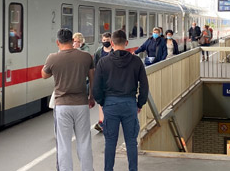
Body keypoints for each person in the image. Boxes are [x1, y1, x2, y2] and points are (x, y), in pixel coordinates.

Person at [93, 30, 149, 171]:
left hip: (110, 104)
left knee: (110, 142)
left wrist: (102, 102)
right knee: (131, 142)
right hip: (129, 104)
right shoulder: (136, 61)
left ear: (112, 43)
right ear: (126, 43)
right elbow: (144, 85)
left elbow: (96, 87)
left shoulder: (103, 62)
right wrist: (139, 103)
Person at [41, 28, 96, 171]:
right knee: (84, 141)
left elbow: (44, 75)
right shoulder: (86, 57)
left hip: (62, 106)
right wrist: (91, 97)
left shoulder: (52, 57)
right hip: (82, 104)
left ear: (57, 42)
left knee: (63, 144)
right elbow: (92, 79)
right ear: (73, 41)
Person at [92, 32, 113, 132]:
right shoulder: (99, 51)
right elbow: (95, 64)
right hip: (101, 79)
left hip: (112, 79)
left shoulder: (114, 51)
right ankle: (102, 121)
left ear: (111, 40)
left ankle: (108, 120)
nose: (105, 42)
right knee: (101, 101)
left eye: (107, 40)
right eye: (104, 40)